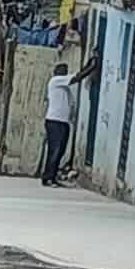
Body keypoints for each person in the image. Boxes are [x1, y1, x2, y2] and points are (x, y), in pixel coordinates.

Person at [37, 59, 78, 187]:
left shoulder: (65, 88)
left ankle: (52, 176)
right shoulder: (55, 81)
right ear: (56, 72)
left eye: (66, 70)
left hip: (63, 122)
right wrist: (92, 65)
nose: (65, 73)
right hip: (55, 121)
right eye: (62, 70)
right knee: (54, 150)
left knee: (60, 151)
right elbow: (78, 77)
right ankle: (48, 177)